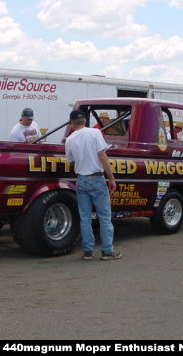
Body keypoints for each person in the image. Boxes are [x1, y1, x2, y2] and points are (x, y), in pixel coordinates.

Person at [64, 109, 121, 261]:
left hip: (81, 179)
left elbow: (71, 161)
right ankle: (107, 251)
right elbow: (102, 156)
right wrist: (112, 178)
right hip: (97, 178)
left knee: (85, 218)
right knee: (104, 217)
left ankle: (88, 251)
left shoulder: (69, 139)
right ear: (85, 121)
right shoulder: (95, 133)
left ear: (72, 123)